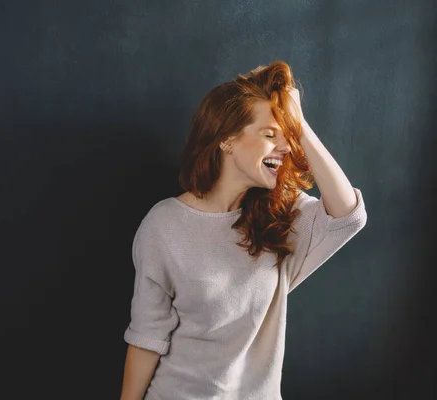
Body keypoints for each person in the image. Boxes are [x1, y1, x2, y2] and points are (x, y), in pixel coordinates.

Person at [119, 60, 368, 400]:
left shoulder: (281, 217)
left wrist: (300, 124)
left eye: (287, 136)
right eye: (269, 135)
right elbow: (147, 336)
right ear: (226, 140)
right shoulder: (163, 226)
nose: (284, 147)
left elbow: (349, 216)